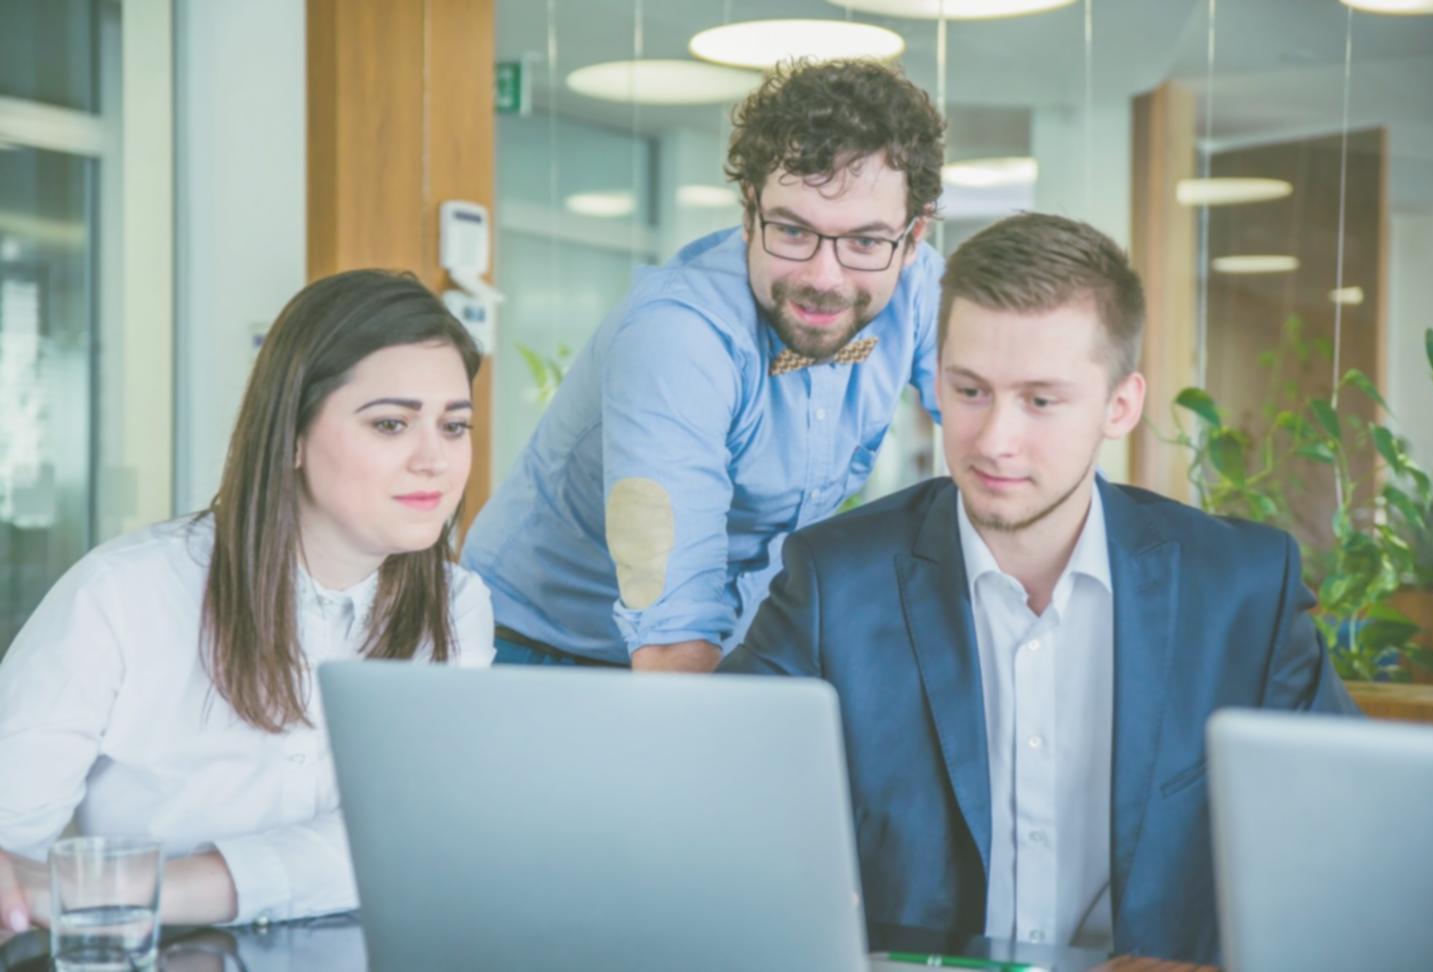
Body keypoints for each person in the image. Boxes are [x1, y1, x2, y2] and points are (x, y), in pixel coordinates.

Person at [719, 213, 1357, 964]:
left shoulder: (1242, 591)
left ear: (1120, 405)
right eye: (971, 390)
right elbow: (721, 825)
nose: (994, 440)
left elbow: (1347, 853)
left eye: (1041, 401)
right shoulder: (834, 581)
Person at [0, 269, 494, 941]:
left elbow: (417, 840)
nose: (435, 461)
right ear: (290, 434)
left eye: (454, 426)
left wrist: (123, 887)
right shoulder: (123, 595)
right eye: (390, 424)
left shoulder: (456, 606)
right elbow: (7, 851)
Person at [464, 58, 947, 671]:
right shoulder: (679, 337)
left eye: (865, 241)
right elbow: (672, 634)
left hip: (740, 636)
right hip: (542, 646)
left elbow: (1000, 445)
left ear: (913, 237)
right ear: (748, 213)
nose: (825, 278)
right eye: (794, 232)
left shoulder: (919, 287)